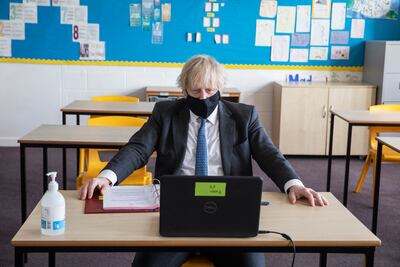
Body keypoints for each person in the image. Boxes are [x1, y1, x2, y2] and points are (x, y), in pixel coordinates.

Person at [79, 55, 328, 267]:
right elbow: (138, 148)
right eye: (195, 91)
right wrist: (106, 176)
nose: (203, 97)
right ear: (184, 89)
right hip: (176, 209)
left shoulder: (245, 116)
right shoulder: (165, 113)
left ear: (220, 88)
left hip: (229, 212)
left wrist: (294, 184)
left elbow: (268, 153)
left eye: (210, 91)